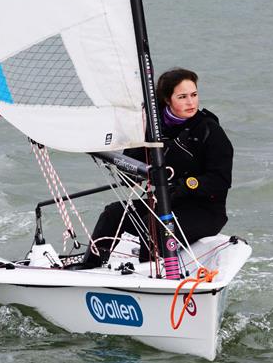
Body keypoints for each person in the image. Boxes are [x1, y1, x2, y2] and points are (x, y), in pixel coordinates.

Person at [68, 68, 233, 270]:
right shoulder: (153, 128)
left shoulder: (209, 130)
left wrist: (184, 186)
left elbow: (221, 180)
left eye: (194, 95)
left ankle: (148, 276)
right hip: (166, 203)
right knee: (113, 213)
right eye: (182, 97)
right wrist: (131, 170)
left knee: (153, 225)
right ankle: (90, 266)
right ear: (167, 99)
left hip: (204, 211)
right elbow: (130, 161)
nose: (191, 103)